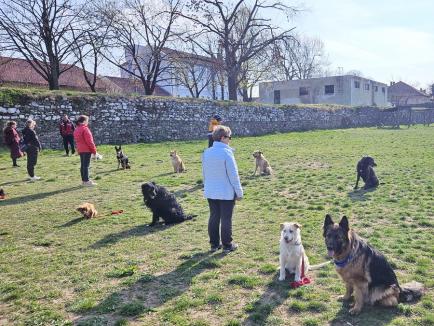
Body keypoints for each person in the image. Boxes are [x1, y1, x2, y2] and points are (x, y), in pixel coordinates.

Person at [202, 125, 243, 253]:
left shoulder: (207, 152)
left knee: (214, 217)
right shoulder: (226, 153)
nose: (230, 140)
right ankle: (227, 245)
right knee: (226, 218)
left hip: (211, 190)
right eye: (229, 137)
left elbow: (204, 173)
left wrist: (207, 187)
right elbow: (233, 175)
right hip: (225, 192)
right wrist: (239, 192)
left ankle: (214, 244)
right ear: (222, 137)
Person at [73, 115, 97, 186]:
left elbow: (77, 141)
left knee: (83, 165)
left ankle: (84, 180)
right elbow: (90, 141)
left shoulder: (76, 129)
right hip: (86, 149)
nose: (88, 122)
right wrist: (94, 151)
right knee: (86, 166)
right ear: (84, 121)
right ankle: (86, 181)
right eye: (87, 120)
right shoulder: (85, 129)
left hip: (80, 149)